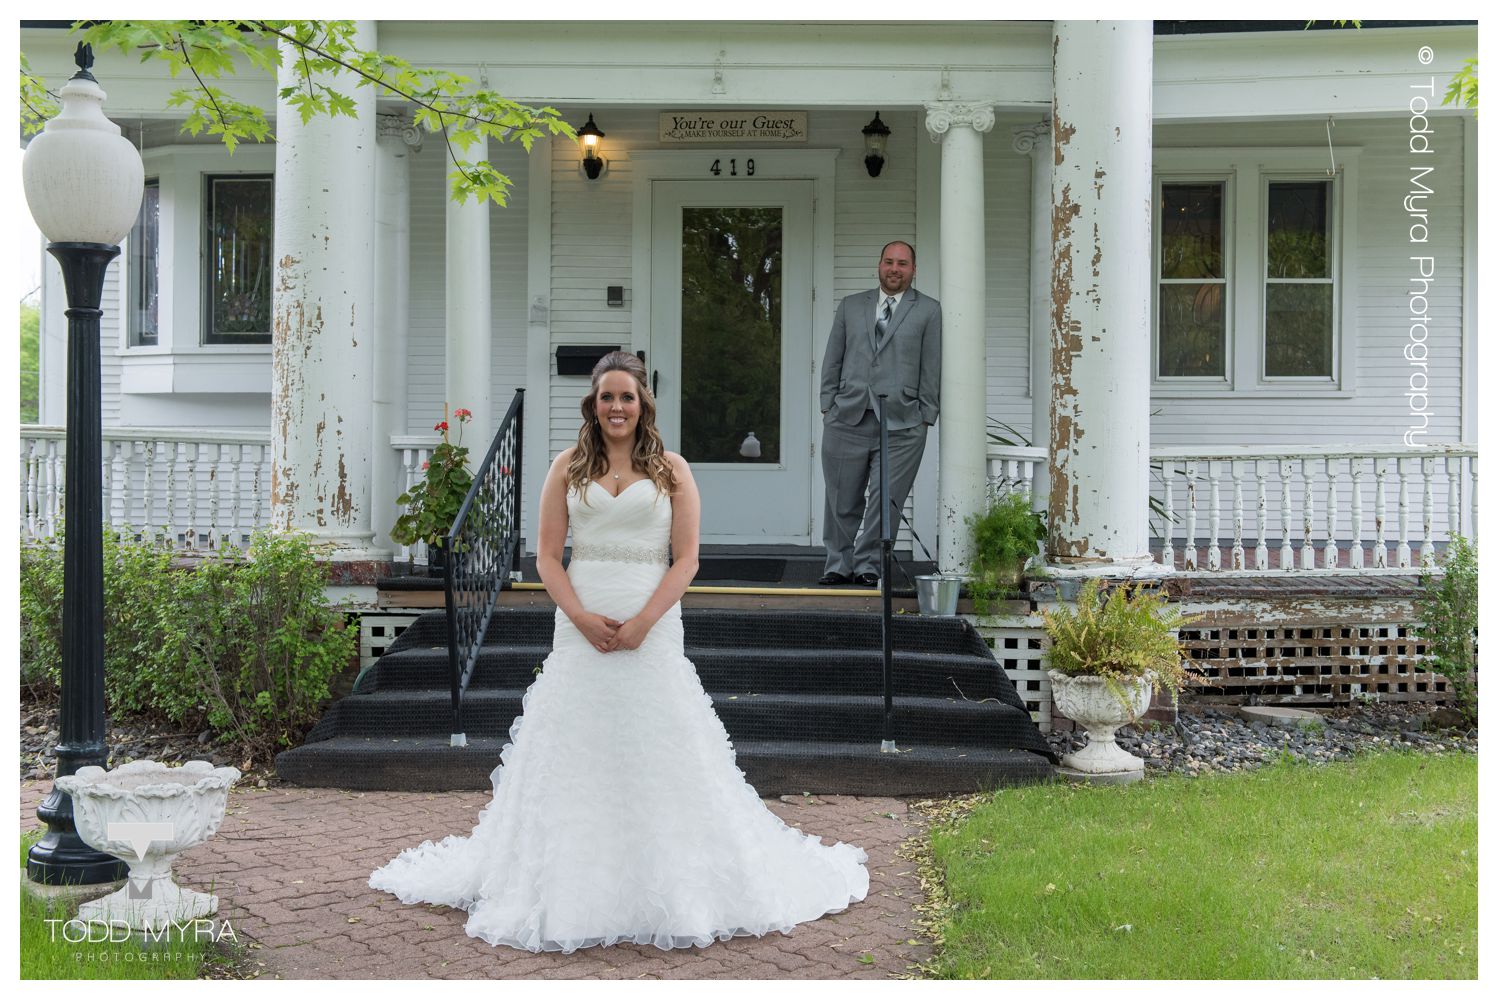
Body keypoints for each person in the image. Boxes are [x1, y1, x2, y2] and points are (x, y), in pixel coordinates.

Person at [369, 351, 868, 954]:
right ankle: (569, 886)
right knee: (576, 747)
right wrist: (579, 617)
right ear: (593, 404)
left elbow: (687, 560)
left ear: (643, 405)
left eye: (627, 397)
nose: (616, 407)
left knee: (659, 743)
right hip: (579, 628)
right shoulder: (566, 468)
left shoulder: (674, 471)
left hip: (651, 627)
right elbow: (549, 557)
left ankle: (677, 887)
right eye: (607, 397)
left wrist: (643, 624)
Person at [818, 240, 942, 586]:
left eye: (903, 264)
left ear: (913, 270)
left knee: (884, 502)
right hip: (847, 416)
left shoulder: (929, 311)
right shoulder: (851, 306)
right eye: (889, 261)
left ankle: (869, 565)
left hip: (903, 423)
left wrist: (926, 415)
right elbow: (833, 358)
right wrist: (828, 403)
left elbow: (931, 366)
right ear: (879, 265)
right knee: (841, 497)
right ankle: (837, 563)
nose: (894, 269)